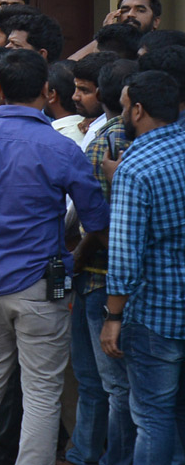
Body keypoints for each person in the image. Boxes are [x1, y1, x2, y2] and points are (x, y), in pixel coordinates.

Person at [0, 49, 109, 465]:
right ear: (48, 92)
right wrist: (77, 258)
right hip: (42, 281)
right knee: (42, 389)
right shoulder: (61, 147)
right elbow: (97, 223)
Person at [101, 70, 185, 465]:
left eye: (122, 110)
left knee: (152, 418)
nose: (120, 119)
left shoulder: (135, 170)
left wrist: (112, 316)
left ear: (138, 109)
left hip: (155, 314)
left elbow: (124, 255)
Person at [66, 59, 137, 465]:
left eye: (84, 89)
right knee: (102, 383)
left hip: (100, 279)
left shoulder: (105, 143)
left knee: (107, 384)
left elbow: (95, 219)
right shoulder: (115, 138)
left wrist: (77, 255)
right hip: (103, 278)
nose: (76, 97)